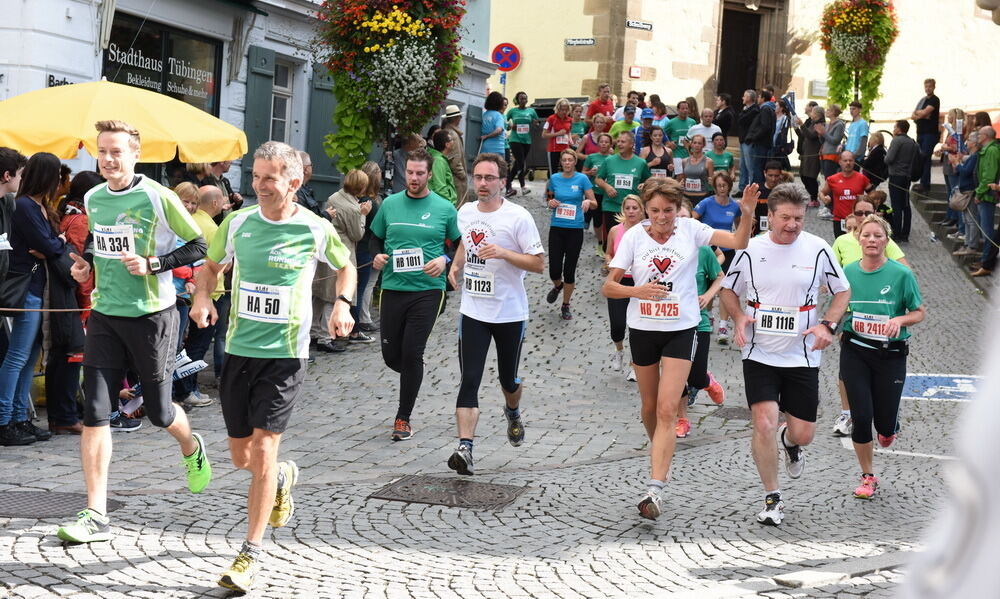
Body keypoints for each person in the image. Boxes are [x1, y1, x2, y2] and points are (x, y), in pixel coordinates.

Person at [189, 141, 354, 593]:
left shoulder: (314, 228)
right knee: (242, 457)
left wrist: (342, 304)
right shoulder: (237, 223)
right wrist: (202, 296)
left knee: (263, 449)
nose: (259, 185)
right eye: (255, 176)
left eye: (269, 178)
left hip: (285, 356)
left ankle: (250, 551)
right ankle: (281, 476)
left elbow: (346, 267)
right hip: (239, 351)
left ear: (293, 182)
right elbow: (210, 268)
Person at [57, 120, 211, 543]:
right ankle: (96, 513)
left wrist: (153, 264)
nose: (108, 159)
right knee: (95, 411)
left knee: (160, 413)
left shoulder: (158, 196)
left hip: (152, 316)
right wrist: (86, 266)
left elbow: (198, 245)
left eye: (117, 152)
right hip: (105, 314)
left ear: (135, 154)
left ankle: (191, 446)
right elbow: (97, 243)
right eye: (102, 152)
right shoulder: (93, 197)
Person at [602, 178, 754, 520]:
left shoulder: (691, 230)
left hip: (680, 329)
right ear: (646, 209)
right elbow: (609, 287)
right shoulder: (634, 237)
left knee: (668, 408)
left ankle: (654, 488)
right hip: (643, 329)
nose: (661, 217)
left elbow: (738, 242)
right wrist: (636, 291)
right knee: (649, 408)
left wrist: (746, 213)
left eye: (668, 210)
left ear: (677, 209)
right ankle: (661, 448)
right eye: (655, 210)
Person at [719, 183, 851, 527]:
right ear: (771, 216)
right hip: (759, 350)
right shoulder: (751, 249)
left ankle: (790, 443)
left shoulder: (818, 248)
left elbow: (842, 291)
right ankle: (772, 498)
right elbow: (728, 290)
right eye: (786, 218)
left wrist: (827, 325)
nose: (793, 224)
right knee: (763, 421)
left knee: (803, 433)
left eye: (799, 218)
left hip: (802, 355)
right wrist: (739, 316)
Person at [445, 154, 544, 475]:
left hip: (509, 312)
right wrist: (456, 266)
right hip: (473, 310)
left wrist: (503, 252)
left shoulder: (518, 217)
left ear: (502, 181)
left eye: (489, 178)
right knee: (469, 379)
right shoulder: (466, 212)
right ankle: (465, 447)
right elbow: (465, 244)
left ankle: (512, 410)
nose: (482, 184)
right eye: (478, 177)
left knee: (507, 379)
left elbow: (538, 264)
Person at [371, 148, 460, 441]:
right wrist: (377, 256)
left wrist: (445, 260)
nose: (414, 178)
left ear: (429, 175)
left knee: (412, 352)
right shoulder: (389, 204)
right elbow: (375, 238)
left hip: (427, 290)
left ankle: (403, 418)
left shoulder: (444, 208)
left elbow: (460, 244)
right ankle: (414, 370)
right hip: (393, 287)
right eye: (410, 172)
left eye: (420, 173)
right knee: (391, 356)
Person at [840, 215, 925, 499]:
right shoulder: (848, 272)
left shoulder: (902, 275)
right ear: (858, 239)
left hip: (891, 354)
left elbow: (919, 312)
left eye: (878, 236)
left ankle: (890, 427)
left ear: (886, 241)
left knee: (884, 426)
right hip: (855, 349)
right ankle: (867, 476)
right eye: (866, 235)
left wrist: (899, 320)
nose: (872, 240)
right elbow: (839, 307)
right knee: (862, 416)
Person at [0, 152, 67, 446]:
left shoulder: (36, 206)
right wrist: (59, 242)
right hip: (26, 287)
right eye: (58, 176)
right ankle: (4, 420)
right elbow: (48, 246)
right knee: (17, 356)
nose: (60, 181)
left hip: (39, 287)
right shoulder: (25, 206)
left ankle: (19, 417)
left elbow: (49, 246)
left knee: (29, 357)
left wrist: (55, 244)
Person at [829, 198, 908, 437]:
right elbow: (832, 274)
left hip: (880, 315)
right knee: (848, 367)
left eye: (868, 212)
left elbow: (905, 270)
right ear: (852, 215)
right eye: (859, 212)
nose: (863, 216)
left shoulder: (884, 240)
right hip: (850, 312)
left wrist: (882, 280)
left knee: (877, 375)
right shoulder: (842, 241)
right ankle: (848, 413)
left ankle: (884, 411)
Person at [47, 170, 104, 436]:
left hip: (63, 293)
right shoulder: (81, 220)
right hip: (74, 298)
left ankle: (64, 414)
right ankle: (66, 415)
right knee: (71, 355)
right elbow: (83, 268)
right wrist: (86, 305)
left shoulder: (65, 213)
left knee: (62, 356)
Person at [673, 202, 727, 439]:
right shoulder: (663, 250)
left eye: (685, 217)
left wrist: (708, 295)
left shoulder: (703, 251)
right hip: (672, 321)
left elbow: (720, 277)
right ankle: (682, 419)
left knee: (695, 376)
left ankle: (707, 381)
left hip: (698, 321)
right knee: (675, 375)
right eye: (677, 218)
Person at [318, 169, 372, 349]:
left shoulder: (335, 197)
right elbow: (357, 234)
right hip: (342, 253)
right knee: (333, 296)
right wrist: (363, 214)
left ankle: (315, 333)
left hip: (327, 249)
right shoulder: (353, 208)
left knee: (320, 294)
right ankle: (326, 337)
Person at [544, 150, 597, 320]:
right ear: (561, 162)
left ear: (575, 162)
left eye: (570, 160)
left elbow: (594, 203)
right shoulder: (554, 179)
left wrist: (587, 201)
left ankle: (566, 304)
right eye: (564, 160)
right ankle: (558, 286)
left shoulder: (582, 179)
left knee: (569, 270)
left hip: (575, 229)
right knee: (554, 270)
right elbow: (548, 199)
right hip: (557, 227)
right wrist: (550, 202)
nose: (567, 163)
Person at [604, 194, 645, 381]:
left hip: (640, 282)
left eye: (635, 208)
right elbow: (608, 253)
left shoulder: (647, 231)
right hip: (619, 282)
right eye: (627, 208)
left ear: (641, 210)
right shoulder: (615, 230)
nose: (631, 211)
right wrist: (610, 263)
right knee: (618, 324)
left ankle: (634, 364)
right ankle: (619, 350)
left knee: (637, 326)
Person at [595, 130, 651, 253]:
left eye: (623, 142)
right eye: (618, 141)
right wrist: (607, 187)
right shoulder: (609, 160)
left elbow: (649, 180)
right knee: (612, 242)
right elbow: (598, 179)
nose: (619, 144)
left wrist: (644, 184)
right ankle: (610, 262)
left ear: (631, 144)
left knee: (633, 242)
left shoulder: (641, 163)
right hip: (612, 206)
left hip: (632, 209)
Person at [356, 161, 383, 332]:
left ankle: (363, 317)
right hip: (368, 249)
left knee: (364, 285)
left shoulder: (360, 198)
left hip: (362, 247)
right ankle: (364, 318)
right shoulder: (370, 203)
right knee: (367, 285)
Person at [818, 151, 872, 237]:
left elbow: (873, 194)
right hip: (839, 220)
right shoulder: (832, 179)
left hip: (858, 219)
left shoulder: (862, 178)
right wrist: (824, 199)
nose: (848, 163)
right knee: (841, 243)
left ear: (854, 162)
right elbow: (822, 192)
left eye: (850, 160)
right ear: (840, 162)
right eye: (845, 160)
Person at [970, 126, 1000, 277]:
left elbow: (989, 175)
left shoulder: (992, 150)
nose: (978, 137)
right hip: (985, 193)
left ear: (986, 136)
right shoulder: (987, 149)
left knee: (987, 231)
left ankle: (986, 262)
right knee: (986, 230)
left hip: (987, 195)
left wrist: (979, 193)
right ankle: (985, 260)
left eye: (980, 134)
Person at [884, 120, 921, 242]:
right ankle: (905, 233)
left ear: (899, 129)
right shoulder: (912, 142)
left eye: (895, 127)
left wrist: (885, 156)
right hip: (907, 176)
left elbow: (889, 159)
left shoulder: (897, 140)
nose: (893, 129)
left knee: (896, 205)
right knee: (905, 205)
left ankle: (897, 233)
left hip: (896, 175)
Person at [580, 128, 613, 251]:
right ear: (598, 143)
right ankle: (600, 243)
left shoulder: (614, 158)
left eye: (606, 142)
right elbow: (582, 173)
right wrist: (590, 172)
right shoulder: (591, 157)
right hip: (595, 193)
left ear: (610, 144)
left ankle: (610, 244)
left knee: (609, 220)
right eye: (601, 142)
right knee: (597, 220)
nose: (604, 144)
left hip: (609, 193)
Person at [506, 91, 539, 196]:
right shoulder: (512, 111)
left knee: (518, 163)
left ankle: (508, 183)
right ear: (517, 100)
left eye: (525, 98)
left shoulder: (531, 111)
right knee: (520, 162)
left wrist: (535, 123)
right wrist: (511, 126)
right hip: (515, 139)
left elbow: (537, 123)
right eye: (521, 98)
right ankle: (523, 186)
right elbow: (505, 123)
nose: (523, 100)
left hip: (527, 140)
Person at [910, 78, 940, 193]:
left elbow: (924, 113)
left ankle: (925, 184)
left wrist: (922, 114)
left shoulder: (934, 99)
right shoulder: (923, 100)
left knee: (926, 158)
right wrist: (921, 115)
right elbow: (913, 115)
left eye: (930, 86)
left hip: (930, 133)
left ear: (934, 87)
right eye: (926, 86)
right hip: (920, 132)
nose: (928, 89)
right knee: (920, 158)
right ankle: (922, 182)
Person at [744, 90, 776, 187]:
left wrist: (753, 137)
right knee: (759, 167)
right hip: (763, 143)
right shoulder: (768, 108)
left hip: (761, 144)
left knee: (757, 168)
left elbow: (764, 127)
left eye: (759, 97)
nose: (757, 99)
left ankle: (757, 188)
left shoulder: (765, 109)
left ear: (763, 98)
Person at [442, 105, 469, 204]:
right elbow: (454, 159)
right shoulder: (453, 135)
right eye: (459, 116)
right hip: (456, 178)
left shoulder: (448, 132)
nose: (461, 118)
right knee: (458, 205)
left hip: (452, 176)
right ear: (456, 118)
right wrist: (463, 175)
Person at [735, 90, 760, 194]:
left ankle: (753, 188)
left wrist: (744, 112)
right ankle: (742, 188)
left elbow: (742, 120)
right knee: (743, 166)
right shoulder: (746, 109)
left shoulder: (754, 110)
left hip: (748, 141)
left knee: (750, 166)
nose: (742, 98)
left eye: (744, 96)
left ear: (749, 98)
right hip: (743, 140)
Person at [542, 98, 574, 177]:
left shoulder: (569, 119)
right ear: (558, 109)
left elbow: (568, 132)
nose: (564, 112)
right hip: (554, 149)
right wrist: (557, 133)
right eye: (562, 110)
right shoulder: (551, 119)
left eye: (566, 110)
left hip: (565, 149)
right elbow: (544, 135)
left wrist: (570, 139)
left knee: (566, 170)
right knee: (553, 172)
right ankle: (552, 185)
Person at [664, 99, 697, 175]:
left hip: (690, 154)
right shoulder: (671, 122)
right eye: (682, 109)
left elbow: (696, 136)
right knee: (679, 176)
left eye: (686, 108)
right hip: (677, 155)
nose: (685, 110)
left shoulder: (692, 122)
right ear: (678, 110)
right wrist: (669, 143)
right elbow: (662, 134)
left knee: (689, 175)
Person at [679, 134, 713, 204]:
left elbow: (711, 182)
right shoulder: (684, 161)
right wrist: (680, 183)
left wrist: (711, 181)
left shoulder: (709, 161)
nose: (697, 145)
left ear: (703, 145)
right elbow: (682, 179)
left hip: (702, 196)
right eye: (694, 143)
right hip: (686, 196)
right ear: (691, 144)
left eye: (699, 143)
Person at [427, 129, 458, 206]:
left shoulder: (440, 159)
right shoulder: (439, 161)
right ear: (447, 144)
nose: (453, 142)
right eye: (451, 140)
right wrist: (449, 205)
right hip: (444, 205)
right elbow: (440, 187)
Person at [816, 104, 846, 183]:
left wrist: (824, 133)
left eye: (828, 110)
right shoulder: (827, 124)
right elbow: (824, 141)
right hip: (824, 154)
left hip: (832, 154)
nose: (826, 111)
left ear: (833, 112)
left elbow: (835, 140)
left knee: (830, 179)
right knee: (826, 178)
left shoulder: (839, 125)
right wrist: (820, 134)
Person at [293, 151, 323, 218]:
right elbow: (311, 218)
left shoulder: (301, 189)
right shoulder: (296, 191)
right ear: (305, 169)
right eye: (311, 165)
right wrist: (327, 215)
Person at [479, 91, 507, 158]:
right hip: (497, 150)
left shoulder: (484, 115)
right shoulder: (498, 115)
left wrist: (485, 136)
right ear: (499, 103)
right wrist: (487, 136)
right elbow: (499, 130)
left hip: (484, 149)